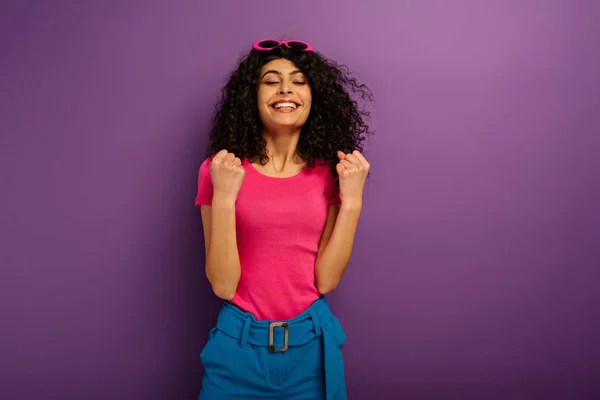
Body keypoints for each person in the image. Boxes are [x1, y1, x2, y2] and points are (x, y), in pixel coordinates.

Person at [195, 39, 373, 400]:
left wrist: (352, 201)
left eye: (298, 80)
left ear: (313, 95)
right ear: (252, 95)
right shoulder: (220, 170)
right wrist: (226, 197)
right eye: (271, 80)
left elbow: (326, 281)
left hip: (312, 350)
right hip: (237, 350)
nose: (285, 89)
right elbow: (223, 286)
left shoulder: (332, 174)